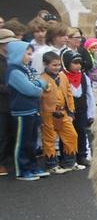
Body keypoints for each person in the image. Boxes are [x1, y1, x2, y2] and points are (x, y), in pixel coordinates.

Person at [4, 40, 49, 180]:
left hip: (32, 110)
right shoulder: (13, 71)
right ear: (18, 54)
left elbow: (43, 82)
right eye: (27, 54)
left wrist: (37, 84)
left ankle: (32, 166)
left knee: (32, 141)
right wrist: (37, 85)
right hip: (21, 112)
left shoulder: (27, 69)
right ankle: (22, 170)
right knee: (22, 142)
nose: (30, 57)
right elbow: (31, 90)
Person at [39, 51, 82, 173]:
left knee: (72, 135)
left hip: (63, 112)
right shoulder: (41, 79)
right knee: (49, 138)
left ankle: (70, 162)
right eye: (54, 65)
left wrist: (71, 111)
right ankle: (51, 165)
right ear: (45, 65)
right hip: (48, 113)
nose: (57, 67)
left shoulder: (62, 76)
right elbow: (39, 98)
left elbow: (68, 94)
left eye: (58, 65)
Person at [63, 51, 95, 167]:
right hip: (68, 111)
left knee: (81, 133)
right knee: (68, 134)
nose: (78, 66)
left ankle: (81, 156)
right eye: (75, 63)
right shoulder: (63, 77)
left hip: (81, 110)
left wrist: (91, 113)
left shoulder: (83, 77)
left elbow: (89, 95)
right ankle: (68, 157)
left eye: (80, 63)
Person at [0, 28, 18, 176]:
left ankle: (9, 160)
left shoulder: (12, 59)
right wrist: (10, 87)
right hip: (2, 102)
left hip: (13, 101)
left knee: (11, 133)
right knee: (2, 134)